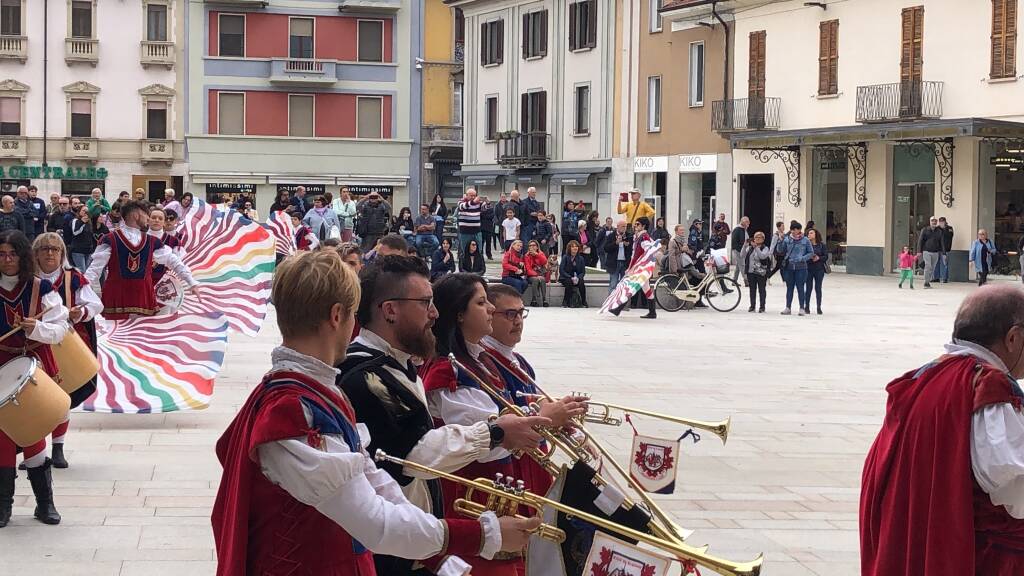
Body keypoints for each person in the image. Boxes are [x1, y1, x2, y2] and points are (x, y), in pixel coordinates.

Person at [212, 251, 535, 575]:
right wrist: (482, 534)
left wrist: (442, 557)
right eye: (354, 313)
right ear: (338, 316)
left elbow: (378, 485)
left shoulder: (318, 394)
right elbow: (374, 520)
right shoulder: (294, 410)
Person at [339, 256, 546, 575]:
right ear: (390, 310)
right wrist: (496, 432)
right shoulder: (366, 375)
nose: (434, 314)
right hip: (386, 553)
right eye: (424, 303)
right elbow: (415, 456)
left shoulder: (397, 365)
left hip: (412, 544)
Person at [861, 285, 1024, 576]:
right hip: (984, 559)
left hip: (921, 543)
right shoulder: (989, 384)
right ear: (1013, 338)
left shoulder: (922, 378)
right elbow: (1009, 481)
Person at [419, 272, 552, 576]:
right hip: (474, 503)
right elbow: (487, 446)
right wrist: (543, 420)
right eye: (481, 303)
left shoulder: (483, 361)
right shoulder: (449, 371)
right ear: (459, 315)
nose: (490, 308)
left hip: (500, 494)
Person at [480, 282, 588, 493]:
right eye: (510, 314)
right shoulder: (483, 362)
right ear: (489, 314)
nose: (519, 321)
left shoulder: (519, 361)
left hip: (531, 464)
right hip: (505, 469)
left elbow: (536, 401)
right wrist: (548, 417)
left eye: (521, 313)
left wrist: (566, 420)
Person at [0, 230, 69, 528]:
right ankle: (3, 507)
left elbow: (60, 330)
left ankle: (45, 504)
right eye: (1, 254)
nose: (7, 260)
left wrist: (37, 328)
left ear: (23, 256)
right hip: (1, 365)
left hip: (33, 365)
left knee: (32, 434)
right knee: (1, 436)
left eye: (12, 254)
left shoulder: (41, 289)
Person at [32, 233, 102, 469]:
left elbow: (95, 305)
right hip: (34, 345)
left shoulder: (72, 278)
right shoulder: (27, 279)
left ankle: (58, 447)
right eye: (44, 249)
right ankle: (36, 449)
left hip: (66, 345)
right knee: (36, 399)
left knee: (63, 396)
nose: (49, 253)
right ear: (36, 254)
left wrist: (80, 313)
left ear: (62, 253)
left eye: (54, 249)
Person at [85, 200, 199, 320]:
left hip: (136, 298)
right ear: (136, 215)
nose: (148, 219)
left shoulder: (151, 241)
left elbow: (174, 261)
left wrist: (191, 281)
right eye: (146, 215)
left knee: (137, 336)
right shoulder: (110, 239)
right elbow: (94, 270)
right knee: (123, 336)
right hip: (123, 298)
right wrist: (80, 290)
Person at [779, 221, 814, 316]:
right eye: (795, 229)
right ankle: (788, 307)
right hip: (789, 267)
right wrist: (780, 241)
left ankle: (802, 308)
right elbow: (780, 251)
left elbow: (811, 252)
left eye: (799, 229)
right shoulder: (787, 240)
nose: (797, 231)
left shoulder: (805, 240)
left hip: (801, 267)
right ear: (792, 230)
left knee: (800, 287)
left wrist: (802, 258)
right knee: (789, 288)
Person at [147, 208, 181, 285]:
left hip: (165, 283)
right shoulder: (139, 237)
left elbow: (178, 263)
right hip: (142, 281)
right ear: (148, 220)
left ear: (164, 222)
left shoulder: (174, 241)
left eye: (160, 218)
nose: (157, 220)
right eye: (153, 217)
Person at [740, 231, 771, 313]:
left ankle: (762, 306)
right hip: (751, 272)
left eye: (759, 237)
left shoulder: (765, 248)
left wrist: (756, 248)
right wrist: (744, 245)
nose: (757, 239)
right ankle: (752, 306)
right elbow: (742, 255)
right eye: (756, 237)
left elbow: (763, 256)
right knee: (752, 290)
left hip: (761, 272)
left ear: (763, 239)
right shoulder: (750, 248)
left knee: (762, 289)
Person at [803, 228, 828, 315]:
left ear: (815, 234)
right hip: (808, 268)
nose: (809, 235)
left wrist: (819, 258)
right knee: (808, 288)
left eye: (811, 233)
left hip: (819, 269)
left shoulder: (822, 245)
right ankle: (807, 307)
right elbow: (803, 256)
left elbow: (826, 256)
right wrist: (809, 257)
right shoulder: (806, 245)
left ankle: (818, 307)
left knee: (818, 288)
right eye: (808, 234)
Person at [559, 240, 588, 308]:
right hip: (566, 277)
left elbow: (583, 272)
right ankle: (566, 301)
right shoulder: (565, 257)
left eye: (576, 246)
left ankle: (584, 301)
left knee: (581, 282)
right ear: (569, 248)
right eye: (573, 246)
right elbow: (561, 270)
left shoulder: (581, 258)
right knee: (569, 282)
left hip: (577, 278)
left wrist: (578, 278)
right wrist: (570, 277)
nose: (575, 248)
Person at [604, 220, 631, 293]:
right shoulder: (611, 235)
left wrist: (628, 245)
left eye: (625, 226)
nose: (624, 228)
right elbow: (606, 248)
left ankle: (622, 303)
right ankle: (610, 303)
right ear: (618, 227)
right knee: (613, 284)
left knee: (624, 284)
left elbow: (632, 250)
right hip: (614, 263)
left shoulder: (629, 236)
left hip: (625, 263)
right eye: (623, 226)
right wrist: (615, 243)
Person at [918, 216, 943, 288]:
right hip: (926, 251)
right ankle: (926, 282)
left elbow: (941, 242)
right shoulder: (925, 230)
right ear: (930, 222)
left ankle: (928, 282)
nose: (934, 222)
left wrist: (943, 253)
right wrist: (919, 251)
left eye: (935, 221)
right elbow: (920, 240)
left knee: (932, 268)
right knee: (928, 266)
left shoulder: (939, 231)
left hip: (935, 252)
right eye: (932, 221)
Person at [523, 240, 548, 307]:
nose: (532, 247)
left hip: (541, 274)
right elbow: (528, 269)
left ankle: (544, 299)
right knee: (536, 280)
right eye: (530, 246)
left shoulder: (541, 254)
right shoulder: (526, 256)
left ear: (537, 247)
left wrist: (537, 255)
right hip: (531, 275)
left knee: (542, 279)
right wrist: (537, 275)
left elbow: (545, 262)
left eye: (533, 245)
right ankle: (534, 300)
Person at [730, 217, 750, 284]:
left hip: (741, 249)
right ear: (743, 222)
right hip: (738, 250)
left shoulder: (743, 229)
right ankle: (746, 280)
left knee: (738, 266)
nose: (748, 223)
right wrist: (740, 250)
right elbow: (735, 241)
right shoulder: (737, 229)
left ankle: (734, 281)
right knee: (742, 265)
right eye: (747, 222)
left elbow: (745, 239)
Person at [937, 217, 954, 283]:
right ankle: (936, 278)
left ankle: (945, 278)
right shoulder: (937, 228)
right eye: (940, 222)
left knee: (945, 263)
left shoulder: (949, 228)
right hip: (937, 248)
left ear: (945, 222)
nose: (941, 223)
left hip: (946, 249)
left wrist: (944, 229)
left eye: (943, 222)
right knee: (936, 264)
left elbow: (950, 236)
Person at [479, 195, 496, 260]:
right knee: (481, 242)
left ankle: (489, 255)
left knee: (488, 242)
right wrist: (485, 214)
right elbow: (480, 215)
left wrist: (484, 215)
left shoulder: (491, 207)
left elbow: (491, 216)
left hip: (489, 228)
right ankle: (481, 254)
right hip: (482, 227)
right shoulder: (480, 206)